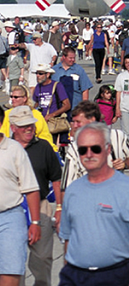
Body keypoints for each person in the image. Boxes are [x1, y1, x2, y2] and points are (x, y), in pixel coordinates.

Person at [58, 122, 129, 286]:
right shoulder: (72, 191)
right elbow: (68, 238)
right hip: (75, 276)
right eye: (83, 150)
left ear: (108, 149)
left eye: (95, 149)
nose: (89, 154)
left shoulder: (128, 188)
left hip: (116, 275)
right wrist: (67, 269)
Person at [9, 106, 62, 286]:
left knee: (43, 256)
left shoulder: (44, 147)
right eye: (23, 126)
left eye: (31, 124)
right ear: (13, 127)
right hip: (12, 208)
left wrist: (59, 208)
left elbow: (56, 179)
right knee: (13, 261)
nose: (29, 129)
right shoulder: (5, 149)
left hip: (40, 206)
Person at [0, 106, 42, 286]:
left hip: (10, 217)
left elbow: (31, 188)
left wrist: (35, 222)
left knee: (10, 273)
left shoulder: (14, 149)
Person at [61, 101, 129, 191]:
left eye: (78, 122)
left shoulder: (117, 136)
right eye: (73, 121)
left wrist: (124, 164)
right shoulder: (74, 148)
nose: (74, 126)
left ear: (92, 120)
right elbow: (65, 186)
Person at [1, 86, 57, 152]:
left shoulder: (36, 114)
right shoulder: (6, 114)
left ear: (24, 98)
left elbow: (44, 135)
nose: (12, 99)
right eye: (11, 97)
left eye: (16, 97)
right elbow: (2, 133)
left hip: (33, 148)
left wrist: (52, 151)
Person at [30, 63, 71, 146]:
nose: (37, 76)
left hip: (52, 122)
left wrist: (52, 115)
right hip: (40, 122)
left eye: (40, 73)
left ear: (48, 74)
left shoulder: (57, 86)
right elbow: (37, 103)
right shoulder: (38, 86)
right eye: (37, 73)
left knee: (51, 146)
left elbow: (67, 105)